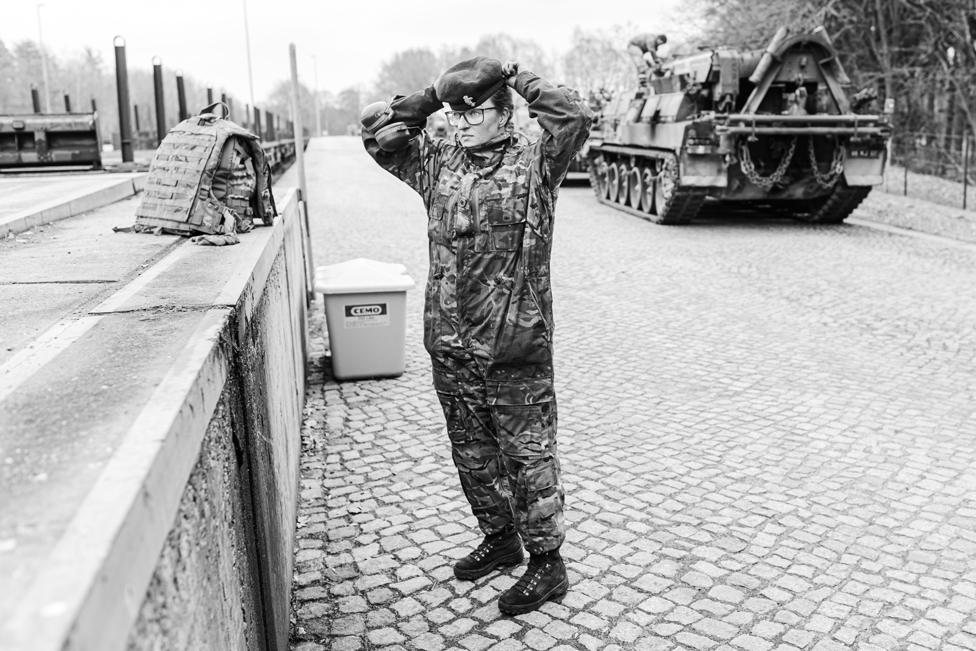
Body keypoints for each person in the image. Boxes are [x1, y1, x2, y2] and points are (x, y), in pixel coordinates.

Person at [361, 57, 591, 615]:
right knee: (472, 453)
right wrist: (434, 94)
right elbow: (376, 134)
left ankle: (546, 563)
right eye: (455, 115)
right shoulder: (437, 161)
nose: (463, 124)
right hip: (451, 342)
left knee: (528, 456)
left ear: (504, 112)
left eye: (477, 112)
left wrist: (516, 78)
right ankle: (500, 538)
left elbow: (572, 117)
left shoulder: (536, 161)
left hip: (515, 345)